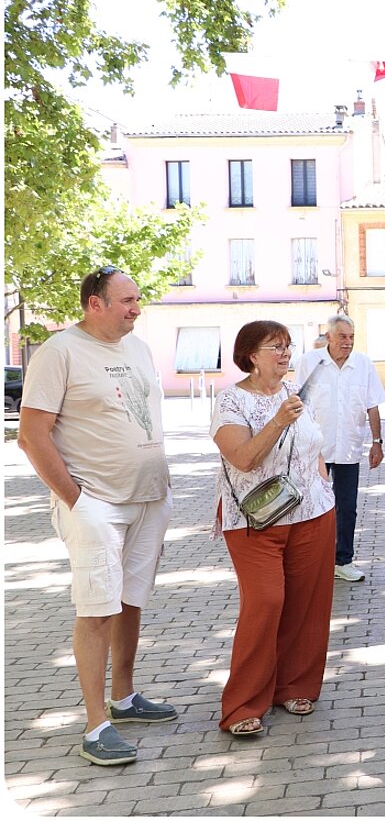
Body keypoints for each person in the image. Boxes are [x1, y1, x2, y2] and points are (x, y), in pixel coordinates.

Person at [17, 266, 177, 766]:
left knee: (130, 601)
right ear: (95, 304)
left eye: (137, 299)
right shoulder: (60, 352)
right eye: (127, 300)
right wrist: (76, 499)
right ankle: (95, 727)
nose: (136, 309)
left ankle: (123, 698)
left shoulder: (138, 349)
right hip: (95, 504)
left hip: (149, 498)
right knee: (97, 609)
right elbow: (31, 435)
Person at [211, 321, 336, 737]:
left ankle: (294, 686)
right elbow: (243, 459)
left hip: (313, 514)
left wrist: (323, 486)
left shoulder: (293, 393)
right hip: (254, 520)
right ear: (251, 355)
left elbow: (314, 446)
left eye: (287, 346)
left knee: (306, 603)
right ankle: (243, 704)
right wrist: (278, 421)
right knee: (266, 602)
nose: (285, 354)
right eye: (275, 347)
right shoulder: (231, 400)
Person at [294, 314, 385, 583]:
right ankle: (312, 560)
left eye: (352, 337)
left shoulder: (363, 363)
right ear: (329, 337)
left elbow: (372, 404)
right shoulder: (309, 362)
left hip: (349, 446)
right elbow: (299, 403)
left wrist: (377, 442)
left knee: (347, 507)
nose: (348, 342)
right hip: (315, 449)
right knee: (311, 504)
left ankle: (343, 560)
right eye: (342, 336)